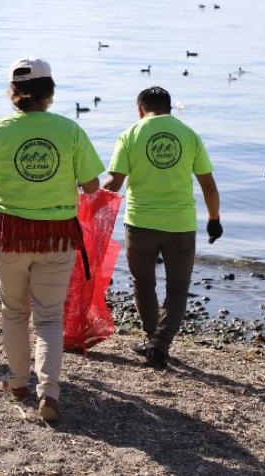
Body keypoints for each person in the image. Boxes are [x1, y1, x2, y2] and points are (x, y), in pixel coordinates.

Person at [0, 57, 104, 422]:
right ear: (51, 93)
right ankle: (50, 394)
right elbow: (92, 186)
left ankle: (17, 382)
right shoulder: (69, 130)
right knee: (48, 318)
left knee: (14, 312)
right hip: (57, 236)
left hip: (9, 232)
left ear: (13, 93)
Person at [103, 87, 221, 370]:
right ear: (169, 108)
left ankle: (152, 339)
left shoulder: (130, 134)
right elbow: (208, 184)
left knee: (143, 285)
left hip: (140, 224)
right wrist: (214, 219)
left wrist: (82, 198)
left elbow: (114, 184)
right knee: (178, 289)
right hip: (180, 225)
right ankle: (160, 344)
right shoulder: (189, 134)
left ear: (140, 109)